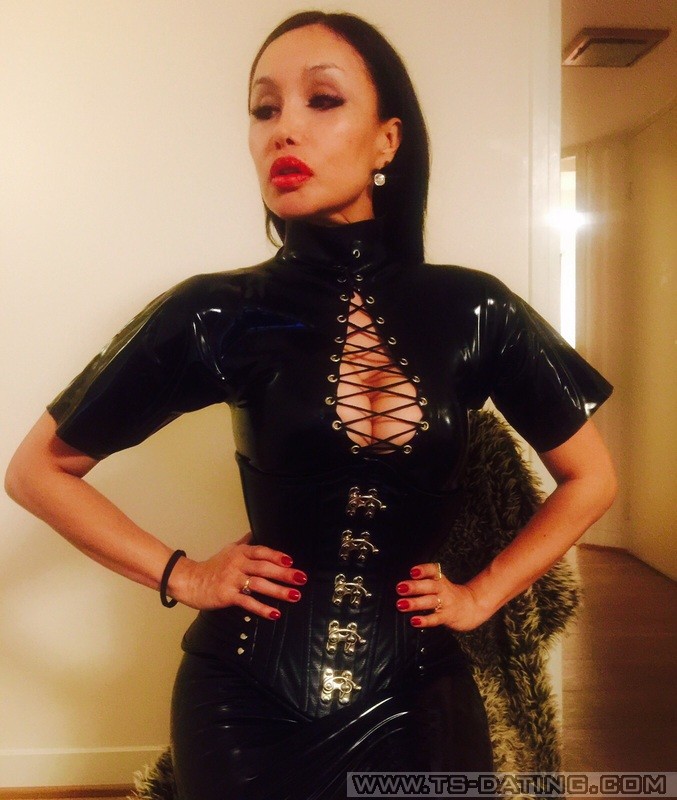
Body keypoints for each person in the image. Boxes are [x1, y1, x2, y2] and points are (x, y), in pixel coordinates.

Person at [4, 10, 616, 800]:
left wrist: (480, 595)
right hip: (244, 696)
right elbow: (37, 471)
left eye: (321, 101)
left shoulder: (474, 308)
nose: (283, 130)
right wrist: (183, 575)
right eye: (264, 110)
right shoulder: (220, 311)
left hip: (418, 683)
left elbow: (590, 478)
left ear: (387, 140)